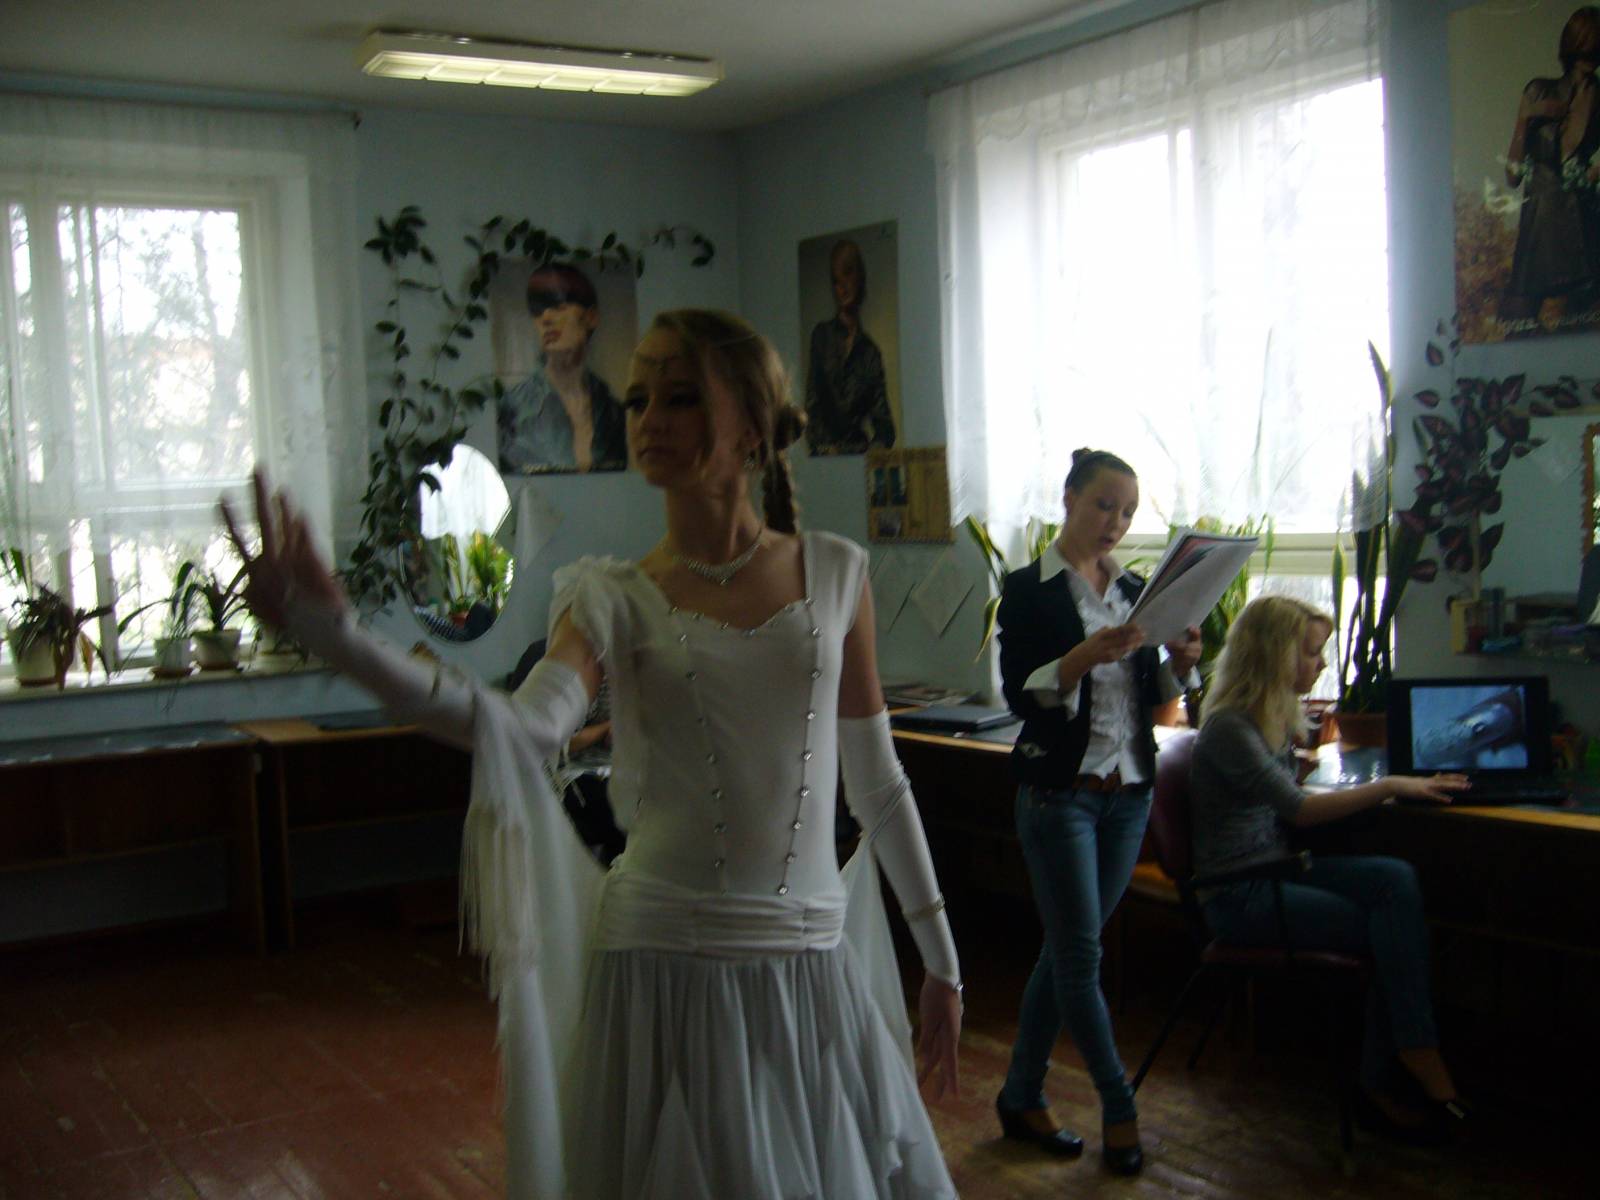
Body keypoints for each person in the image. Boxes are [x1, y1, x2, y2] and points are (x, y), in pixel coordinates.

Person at [222, 308, 963, 1199]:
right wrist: (340, 639)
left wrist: (942, 958)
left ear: (754, 426)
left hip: (811, 970)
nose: (648, 417)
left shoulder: (837, 573)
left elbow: (877, 782)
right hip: (665, 973)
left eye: (680, 397)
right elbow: (519, 729)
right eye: (639, 397)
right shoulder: (612, 596)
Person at [1191, 595, 1471, 1137]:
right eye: (1311, 652)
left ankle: (1408, 1051)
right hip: (1239, 895)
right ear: (1275, 655)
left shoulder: (1267, 719)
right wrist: (1389, 785)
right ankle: (1390, 1073)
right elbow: (1298, 809)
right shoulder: (1230, 728)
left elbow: (1280, 792)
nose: (1321, 663)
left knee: (1395, 879)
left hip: (1276, 870)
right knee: (1386, 930)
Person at [994, 448, 1202, 1175]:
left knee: (1066, 953)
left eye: (1127, 512)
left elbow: (1152, 697)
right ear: (1070, 500)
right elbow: (1020, 694)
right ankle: (1119, 1103)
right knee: (1081, 958)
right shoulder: (1029, 589)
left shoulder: (1137, 591)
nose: (1115, 522)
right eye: (1103, 505)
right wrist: (1083, 656)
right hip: (1060, 795)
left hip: (1129, 793)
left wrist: (1182, 663)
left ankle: (1020, 1095)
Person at [1498, 6, 1600, 331]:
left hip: (1584, 225)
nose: (1589, 57)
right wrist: (1526, 118)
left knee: (1582, 327)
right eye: (1584, 47)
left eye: (1595, 49)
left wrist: (1593, 174)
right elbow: (1512, 175)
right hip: (1540, 226)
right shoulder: (1539, 91)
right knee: (1519, 322)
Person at [496, 262, 627, 473]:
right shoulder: (511, 408)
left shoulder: (614, 413)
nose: (546, 318)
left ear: (591, 317)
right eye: (537, 311)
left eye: (559, 306)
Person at [805, 239, 895, 454]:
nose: (842, 286)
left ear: (860, 276)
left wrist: (872, 451)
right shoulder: (821, 336)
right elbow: (812, 405)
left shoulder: (870, 353)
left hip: (857, 456)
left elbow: (885, 425)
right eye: (836, 280)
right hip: (823, 458)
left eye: (848, 273)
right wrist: (824, 448)